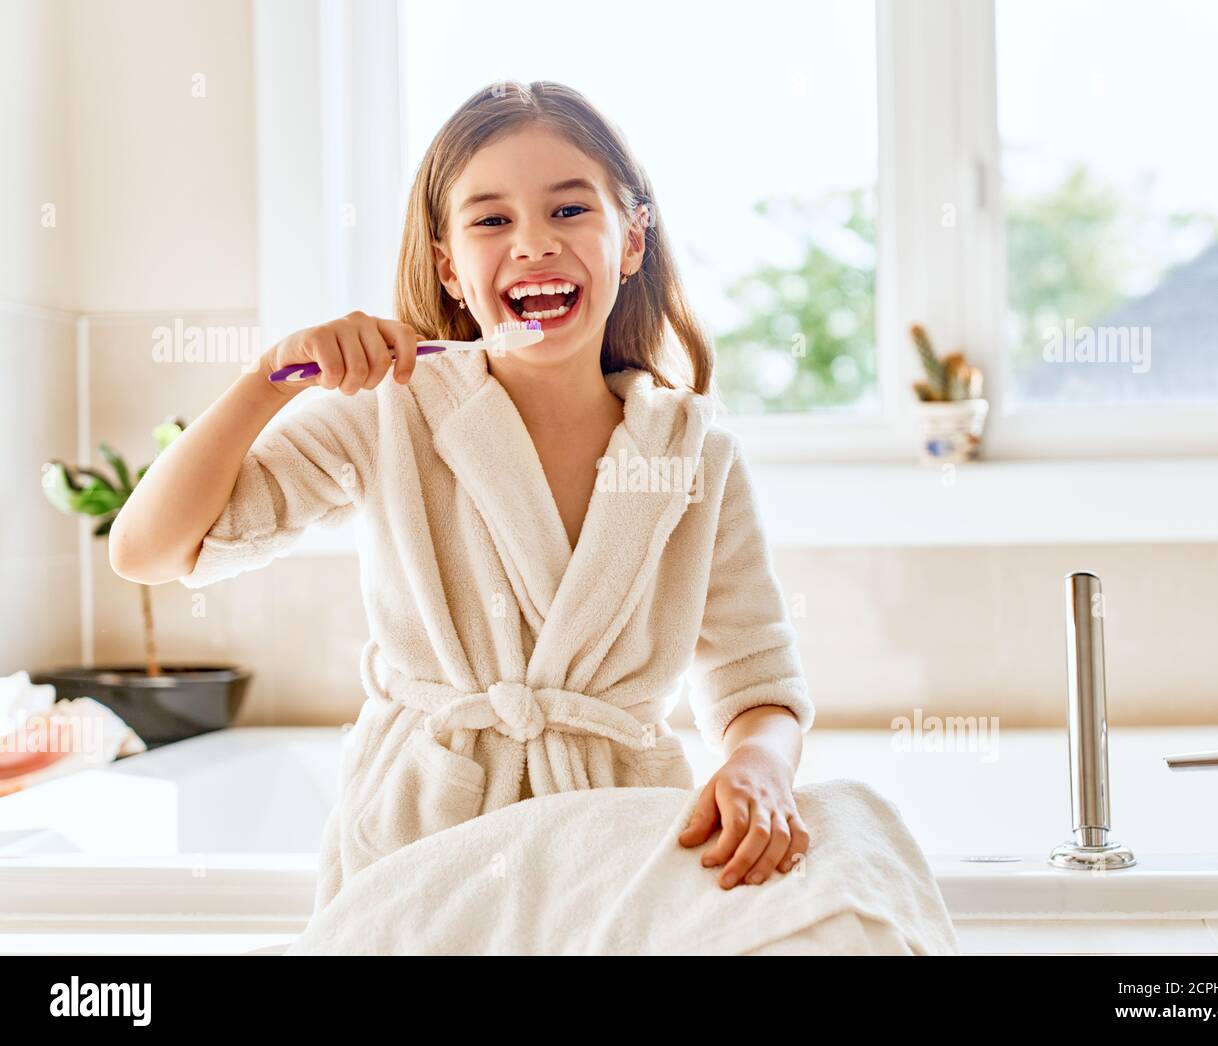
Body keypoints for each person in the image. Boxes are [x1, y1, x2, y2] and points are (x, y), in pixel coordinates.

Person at [108, 80, 815, 916]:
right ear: (450, 266)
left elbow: (755, 679)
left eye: (568, 211)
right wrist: (268, 381)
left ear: (631, 239)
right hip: (422, 838)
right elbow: (149, 552)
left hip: (618, 842)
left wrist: (756, 763)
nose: (532, 245)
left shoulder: (693, 456)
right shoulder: (389, 415)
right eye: (490, 220)